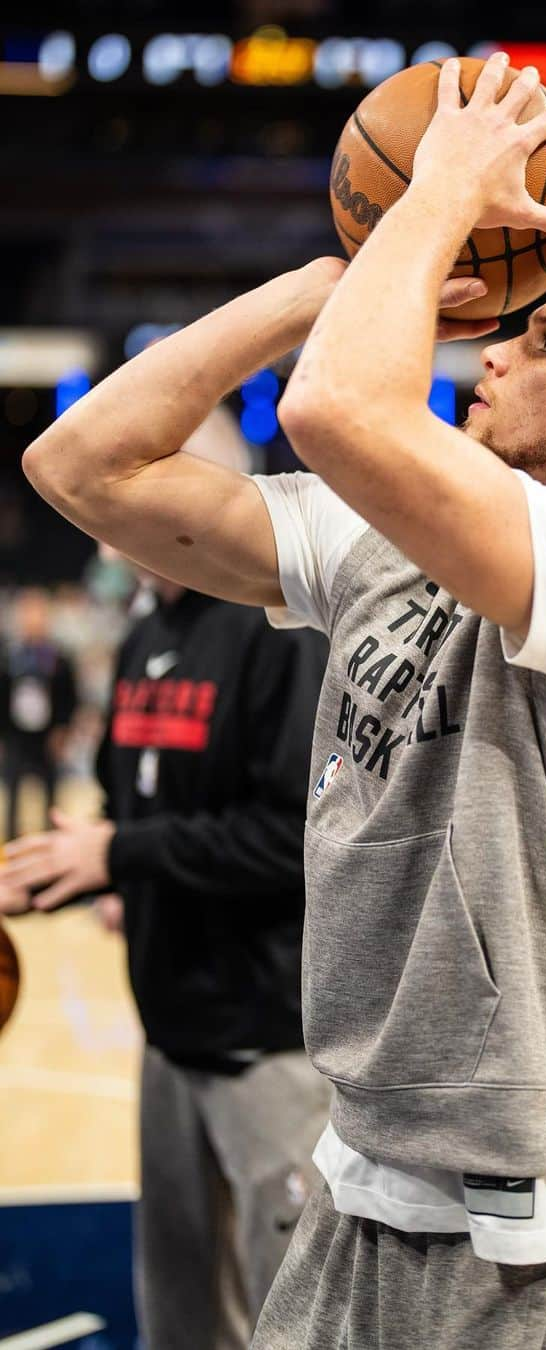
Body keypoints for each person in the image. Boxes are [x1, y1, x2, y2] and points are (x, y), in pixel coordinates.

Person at [19, 54, 546, 1349]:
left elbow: (339, 407)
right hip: (360, 1175)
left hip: (528, 1234)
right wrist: (316, 287)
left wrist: (440, 187)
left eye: (543, 339)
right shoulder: (382, 544)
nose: (497, 347)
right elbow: (81, 464)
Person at [0, 414, 331, 1350]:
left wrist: (124, 858)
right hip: (170, 1024)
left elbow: (297, 838)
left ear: (194, 497)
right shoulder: (151, 622)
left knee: (290, 1318)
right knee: (180, 1312)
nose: (103, 520)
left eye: (125, 491)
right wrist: (88, 873)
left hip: (267, 1041)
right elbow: (128, 803)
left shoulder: (283, 629)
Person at [0, 587, 78, 841]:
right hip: (16, 734)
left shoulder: (58, 658)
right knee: (13, 790)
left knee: (50, 792)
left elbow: (69, 697)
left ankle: (50, 840)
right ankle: (12, 843)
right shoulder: (10, 656)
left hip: (47, 734)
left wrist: (63, 730)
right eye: (28, 612)